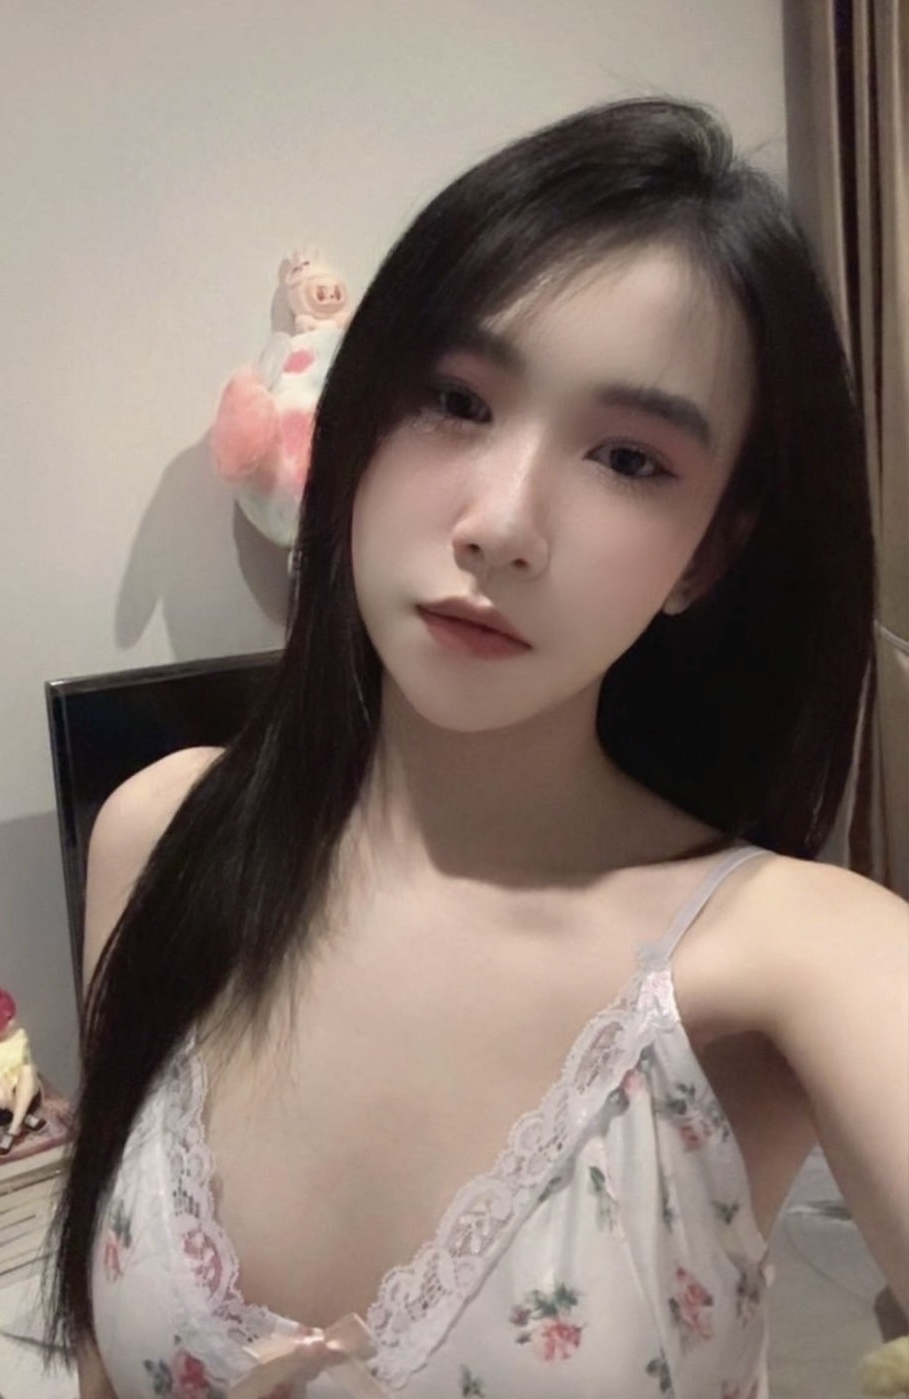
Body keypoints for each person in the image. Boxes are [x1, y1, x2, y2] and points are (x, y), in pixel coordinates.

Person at [47, 99, 908, 1399]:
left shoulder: (784, 961)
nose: (503, 523)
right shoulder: (161, 836)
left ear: (706, 556)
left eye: (630, 458)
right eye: (454, 399)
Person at [0, 986, 47, 1155]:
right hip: (0, 1083)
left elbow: (25, 1060)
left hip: (22, 1080)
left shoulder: (20, 1035)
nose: (13, 1021)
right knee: (0, 1082)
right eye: (7, 1018)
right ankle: (23, 1119)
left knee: (27, 1071)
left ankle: (13, 1130)